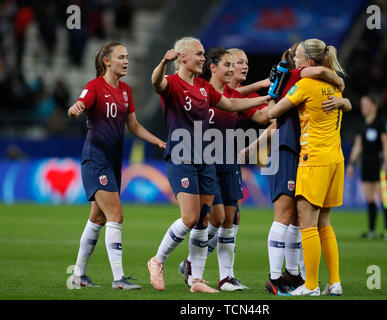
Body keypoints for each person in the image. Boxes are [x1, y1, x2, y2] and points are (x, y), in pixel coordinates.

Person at [147, 37, 270, 293]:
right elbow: (156, 82)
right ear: (182, 58)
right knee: (190, 217)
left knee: (204, 220)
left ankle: (197, 281)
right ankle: (157, 261)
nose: (203, 58)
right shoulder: (172, 83)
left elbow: (232, 103)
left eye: (204, 54)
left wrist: (265, 98)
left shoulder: (204, 87)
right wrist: (162, 62)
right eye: (199, 54)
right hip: (182, 156)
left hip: (205, 159)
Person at [67, 41, 166, 290]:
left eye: (128, 57)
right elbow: (75, 108)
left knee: (98, 218)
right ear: (106, 62)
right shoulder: (94, 87)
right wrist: (75, 108)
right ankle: (119, 279)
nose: (126, 61)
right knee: (116, 215)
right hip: (95, 160)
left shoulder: (125, 90)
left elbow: (133, 126)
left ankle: (78, 275)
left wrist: (158, 141)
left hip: (113, 163)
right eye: (121, 57)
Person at [264, 38, 351, 296]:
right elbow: (340, 92)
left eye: (299, 57)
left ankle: (310, 285)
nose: (296, 61)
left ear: (309, 62)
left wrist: (273, 95)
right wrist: (345, 102)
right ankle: (334, 283)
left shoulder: (305, 85)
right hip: (336, 159)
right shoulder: (334, 85)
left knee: (308, 224)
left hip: (313, 159)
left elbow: (272, 113)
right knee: (325, 223)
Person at [347, 95, 387, 240]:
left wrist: (386, 162)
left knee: (383, 197)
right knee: (369, 197)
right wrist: (351, 163)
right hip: (366, 163)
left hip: (379, 163)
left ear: (374, 106)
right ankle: (372, 230)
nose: (363, 107)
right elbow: (358, 145)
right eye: (362, 104)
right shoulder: (362, 125)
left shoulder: (381, 123)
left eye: (366, 104)